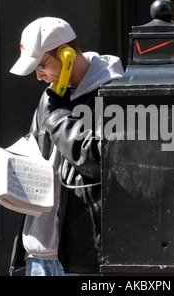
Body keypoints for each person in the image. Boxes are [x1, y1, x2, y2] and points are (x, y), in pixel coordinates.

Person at [8, 17, 124, 276]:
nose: (39, 76)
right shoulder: (51, 97)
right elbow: (39, 153)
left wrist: (58, 116)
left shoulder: (116, 93)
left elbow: (99, 163)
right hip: (39, 251)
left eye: (41, 65)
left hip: (84, 256)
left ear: (66, 53)